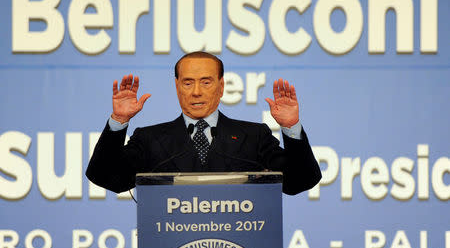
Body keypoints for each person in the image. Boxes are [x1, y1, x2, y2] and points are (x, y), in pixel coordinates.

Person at [86, 52, 321, 195]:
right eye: (188, 83)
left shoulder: (254, 136)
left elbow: (300, 181)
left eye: (206, 82)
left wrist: (291, 128)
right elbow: (106, 177)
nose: (196, 92)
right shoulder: (150, 140)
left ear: (221, 87)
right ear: (177, 87)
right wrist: (119, 121)